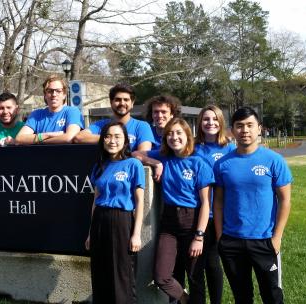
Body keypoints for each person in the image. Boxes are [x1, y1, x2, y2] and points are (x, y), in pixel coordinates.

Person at [213, 107, 292, 304]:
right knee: (242, 296)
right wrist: (220, 236)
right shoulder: (222, 164)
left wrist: (277, 238)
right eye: (239, 126)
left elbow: (285, 200)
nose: (245, 130)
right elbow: (219, 202)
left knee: (272, 295)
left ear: (259, 128)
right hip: (232, 241)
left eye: (250, 125)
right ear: (232, 130)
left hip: (264, 240)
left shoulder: (274, 160)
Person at [135, 118, 214, 304]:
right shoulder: (163, 157)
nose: (174, 137)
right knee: (162, 276)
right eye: (170, 133)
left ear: (187, 136)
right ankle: (185, 299)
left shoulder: (199, 163)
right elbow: (135, 153)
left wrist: (199, 236)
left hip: (192, 222)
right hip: (169, 224)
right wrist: (154, 162)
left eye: (178, 133)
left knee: (195, 278)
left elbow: (205, 204)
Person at [84, 121, 144, 303]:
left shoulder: (133, 164)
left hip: (121, 220)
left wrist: (136, 234)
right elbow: (95, 201)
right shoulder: (99, 166)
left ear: (125, 140)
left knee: (121, 272)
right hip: (100, 220)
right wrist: (89, 233)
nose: (112, 141)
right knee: (100, 270)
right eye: (108, 136)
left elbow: (140, 201)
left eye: (117, 136)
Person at [193, 105, 236, 304]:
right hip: (195, 212)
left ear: (221, 122)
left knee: (212, 262)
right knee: (196, 264)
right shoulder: (192, 147)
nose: (210, 123)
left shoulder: (230, 148)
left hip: (218, 215)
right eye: (206, 119)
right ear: (200, 123)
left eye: (214, 119)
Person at [73, 83, 154, 152]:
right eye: (118, 100)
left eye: (126, 100)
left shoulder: (142, 126)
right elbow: (78, 138)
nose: (122, 103)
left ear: (132, 103)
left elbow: (143, 154)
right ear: (111, 102)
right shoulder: (100, 125)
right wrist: (111, 138)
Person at [15, 74, 83, 144]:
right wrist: (47, 135)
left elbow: (69, 138)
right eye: (50, 91)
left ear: (64, 95)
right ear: (45, 95)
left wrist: (40, 141)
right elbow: (19, 138)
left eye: (58, 91)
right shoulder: (36, 115)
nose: (54, 94)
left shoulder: (72, 112)